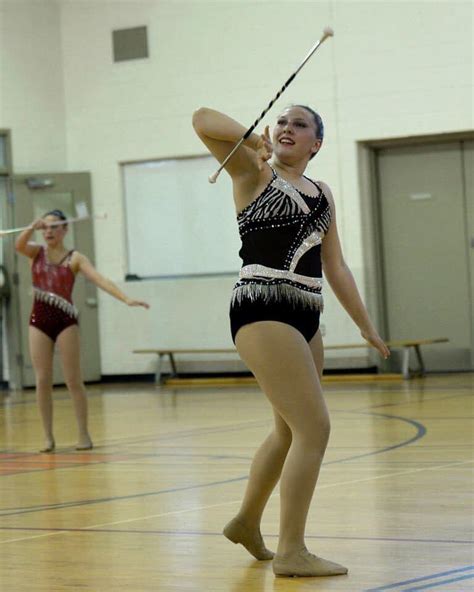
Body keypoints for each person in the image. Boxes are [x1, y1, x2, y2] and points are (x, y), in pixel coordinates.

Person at [192, 105, 390, 578]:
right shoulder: (252, 170)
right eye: (281, 122)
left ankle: (246, 521)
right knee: (314, 429)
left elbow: (335, 266)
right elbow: (201, 118)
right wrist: (249, 138)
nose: (286, 128)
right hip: (262, 303)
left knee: (288, 429)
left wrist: (365, 325)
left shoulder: (322, 194)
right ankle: (292, 550)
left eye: (300, 125)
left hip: (307, 312)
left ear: (316, 144)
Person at [15, 210, 150, 453]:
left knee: (73, 380)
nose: (48, 232)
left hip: (66, 319)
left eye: (54, 227)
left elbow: (100, 280)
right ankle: (47, 437)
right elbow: (19, 245)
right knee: (42, 379)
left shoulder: (75, 258)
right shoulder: (36, 252)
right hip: (39, 320)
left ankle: (83, 434)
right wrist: (28, 227)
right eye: (44, 227)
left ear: (65, 229)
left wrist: (126, 299)